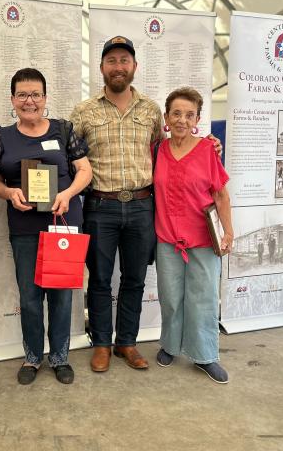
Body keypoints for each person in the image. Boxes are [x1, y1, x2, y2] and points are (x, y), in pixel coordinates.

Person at [70, 36, 220, 372]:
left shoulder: (152, 110)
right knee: (99, 279)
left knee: (135, 279)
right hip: (100, 206)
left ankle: (127, 342)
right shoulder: (84, 111)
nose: (118, 67)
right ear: (102, 68)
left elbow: (167, 149)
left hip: (141, 207)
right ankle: (102, 345)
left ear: (134, 67)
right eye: (112, 61)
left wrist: (207, 144)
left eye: (124, 60)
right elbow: (68, 152)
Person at [0, 68, 92, 385]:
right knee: (30, 296)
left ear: (45, 98)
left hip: (62, 224)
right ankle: (33, 357)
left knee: (61, 295)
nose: (29, 100)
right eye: (22, 94)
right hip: (24, 228)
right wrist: (8, 192)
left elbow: (84, 171)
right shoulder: (2, 136)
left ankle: (60, 357)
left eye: (35, 94)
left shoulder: (63, 130)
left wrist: (67, 193)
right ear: (13, 99)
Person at [153, 87, 233, 384]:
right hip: (168, 240)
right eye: (176, 113)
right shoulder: (159, 150)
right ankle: (170, 346)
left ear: (197, 118)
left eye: (189, 115)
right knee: (171, 298)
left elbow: (221, 195)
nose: (182, 120)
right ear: (166, 117)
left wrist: (229, 232)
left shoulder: (207, 150)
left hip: (203, 240)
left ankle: (205, 355)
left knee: (203, 299)